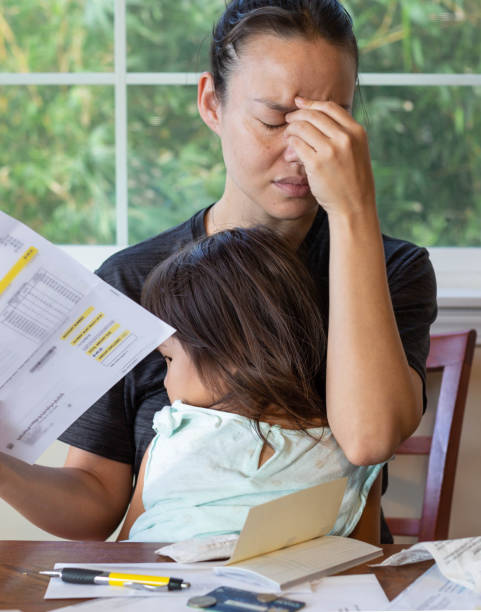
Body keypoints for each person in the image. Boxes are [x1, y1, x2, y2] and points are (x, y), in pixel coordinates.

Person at [0, 0, 436, 543]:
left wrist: (354, 211)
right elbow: (95, 500)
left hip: (336, 582)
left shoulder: (394, 268)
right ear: (212, 103)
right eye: (275, 119)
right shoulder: (133, 282)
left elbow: (369, 440)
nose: (302, 153)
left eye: (331, 123)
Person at [118, 226, 384, 542]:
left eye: (169, 359)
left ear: (231, 351)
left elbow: (125, 551)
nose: (166, 380)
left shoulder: (176, 435)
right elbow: (364, 562)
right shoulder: (345, 445)